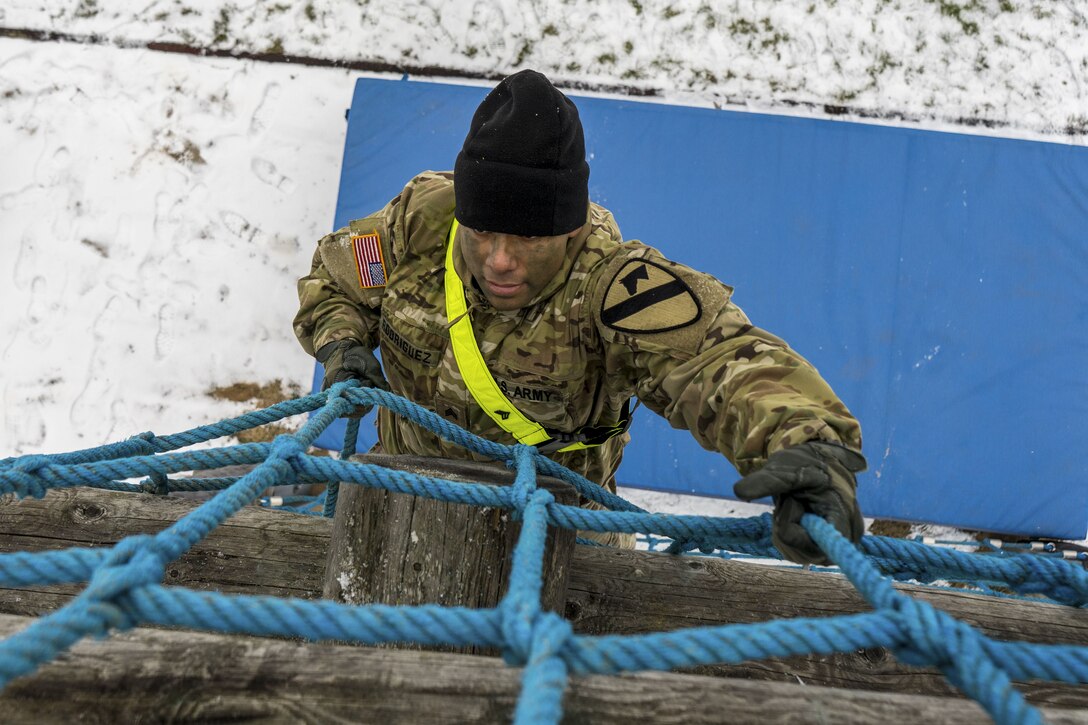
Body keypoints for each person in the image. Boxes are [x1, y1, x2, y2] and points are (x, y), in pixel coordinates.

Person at [294, 69, 865, 564]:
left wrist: (807, 446)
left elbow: (723, 362)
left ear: (569, 229)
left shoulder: (614, 289)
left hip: (559, 544)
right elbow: (336, 279)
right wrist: (342, 345)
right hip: (392, 510)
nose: (499, 260)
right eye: (484, 231)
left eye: (527, 239)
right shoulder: (420, 225)